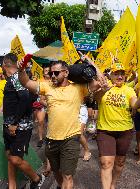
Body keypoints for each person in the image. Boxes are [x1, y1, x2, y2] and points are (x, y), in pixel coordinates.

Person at [17, 59, 104, 189]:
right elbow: (26, 82)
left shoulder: (79, 88)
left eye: (56, 73)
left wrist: (90, 63)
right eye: (51, 73)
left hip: (71, 139)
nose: (52, 76)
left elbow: (100, 82)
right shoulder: (47, 86)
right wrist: (21, 70)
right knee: (57, 172)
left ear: (66, 72)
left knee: (68, 176)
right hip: (52, 140)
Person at [95, 62, 140, 189]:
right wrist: (103, 90)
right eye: (116, 74)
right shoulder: (104, 87)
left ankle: (113, 184)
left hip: (125, 131)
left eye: (122, 74)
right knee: (106, 163)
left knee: (119, 162)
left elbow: (135, 105)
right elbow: (96, 98)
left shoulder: (129, 90)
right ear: (111, 75)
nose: (120, 76)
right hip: (105, 131)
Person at [1, 53, 45, 189]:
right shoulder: (12, 79)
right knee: (10, 156)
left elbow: (25, 98)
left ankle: (37, 179)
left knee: (15, 159)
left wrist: (14, 123)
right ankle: (12, 186)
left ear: (4, 64)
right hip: (9, 125)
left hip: (20, 126)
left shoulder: (16, 78)